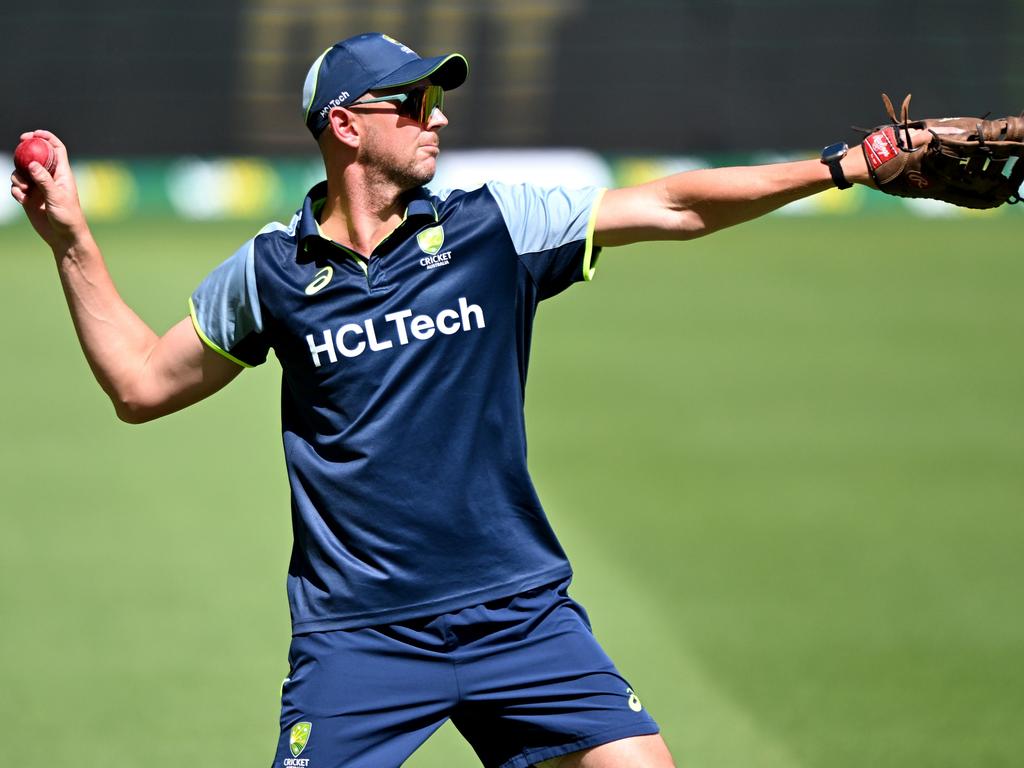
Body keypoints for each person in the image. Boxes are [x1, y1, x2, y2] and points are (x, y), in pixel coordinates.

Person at [10, 31, 925, 768]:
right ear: (346, 126)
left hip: (517, 613)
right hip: (360, 638)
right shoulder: (272, 274)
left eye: (438, 100)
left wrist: (842, 166)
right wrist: (71, 238)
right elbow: (137, 384)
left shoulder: (493, 229)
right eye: (410, 103)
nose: (434, 119)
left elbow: (676, 206)